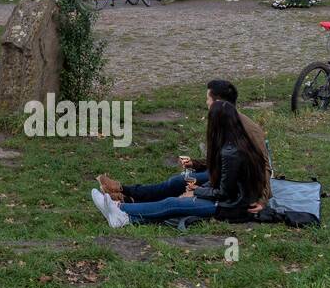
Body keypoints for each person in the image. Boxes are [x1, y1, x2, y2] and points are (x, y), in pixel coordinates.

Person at [94, 79, 271, 213]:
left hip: (234, 188)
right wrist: (195, 163)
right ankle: (125, 194)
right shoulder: (222, 120)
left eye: (208, 99)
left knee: (178, 189)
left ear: (217, 102)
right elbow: (222, 160)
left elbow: (264, 164)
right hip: (224, 178)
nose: (206, 103)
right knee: (178, 182)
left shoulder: (248, 128)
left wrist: (262, 199)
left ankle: (124, 203)